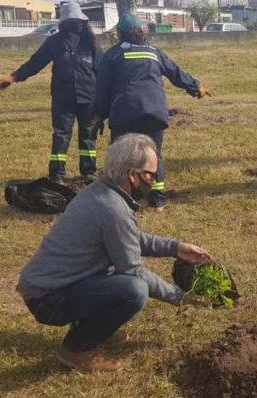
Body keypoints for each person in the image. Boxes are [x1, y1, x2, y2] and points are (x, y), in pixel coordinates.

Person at [17, 134, 213, 372]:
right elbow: (133, 270)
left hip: (50, 286)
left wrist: (176, 247)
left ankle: (96, 326)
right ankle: (74, 350)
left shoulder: (101, 192)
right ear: (132, 174)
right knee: (133, 290)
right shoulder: (113, 210)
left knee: (121, 281)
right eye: (151, 175)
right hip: (47, 299)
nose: (154, 180)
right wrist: (179, 296)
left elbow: (130, 239)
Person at [94, 13, 211, 210]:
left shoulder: (112, 54)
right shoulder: (153, 52)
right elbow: (175, 72)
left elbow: (102, 89)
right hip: (154, 111)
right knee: (154, 154)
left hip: (125, 111)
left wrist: (99, 115)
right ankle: (157, 199)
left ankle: (121, 199)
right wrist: (196, 87)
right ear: (141, 32)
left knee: (121, 155)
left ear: (120, 34)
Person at [0, 1, 101, 184]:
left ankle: (88, 172)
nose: (74, 24)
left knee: (88, 136)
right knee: (61, 135)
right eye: (71, 20)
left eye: (77, 20)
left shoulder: (91, 43)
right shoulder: (54, 42)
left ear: (83, 22)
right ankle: (57, 175)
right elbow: (35, 63)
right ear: (63, 23)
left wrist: (105, 100)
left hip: (88, 97)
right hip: (63, 98)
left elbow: (103, 70)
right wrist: (13, 77)